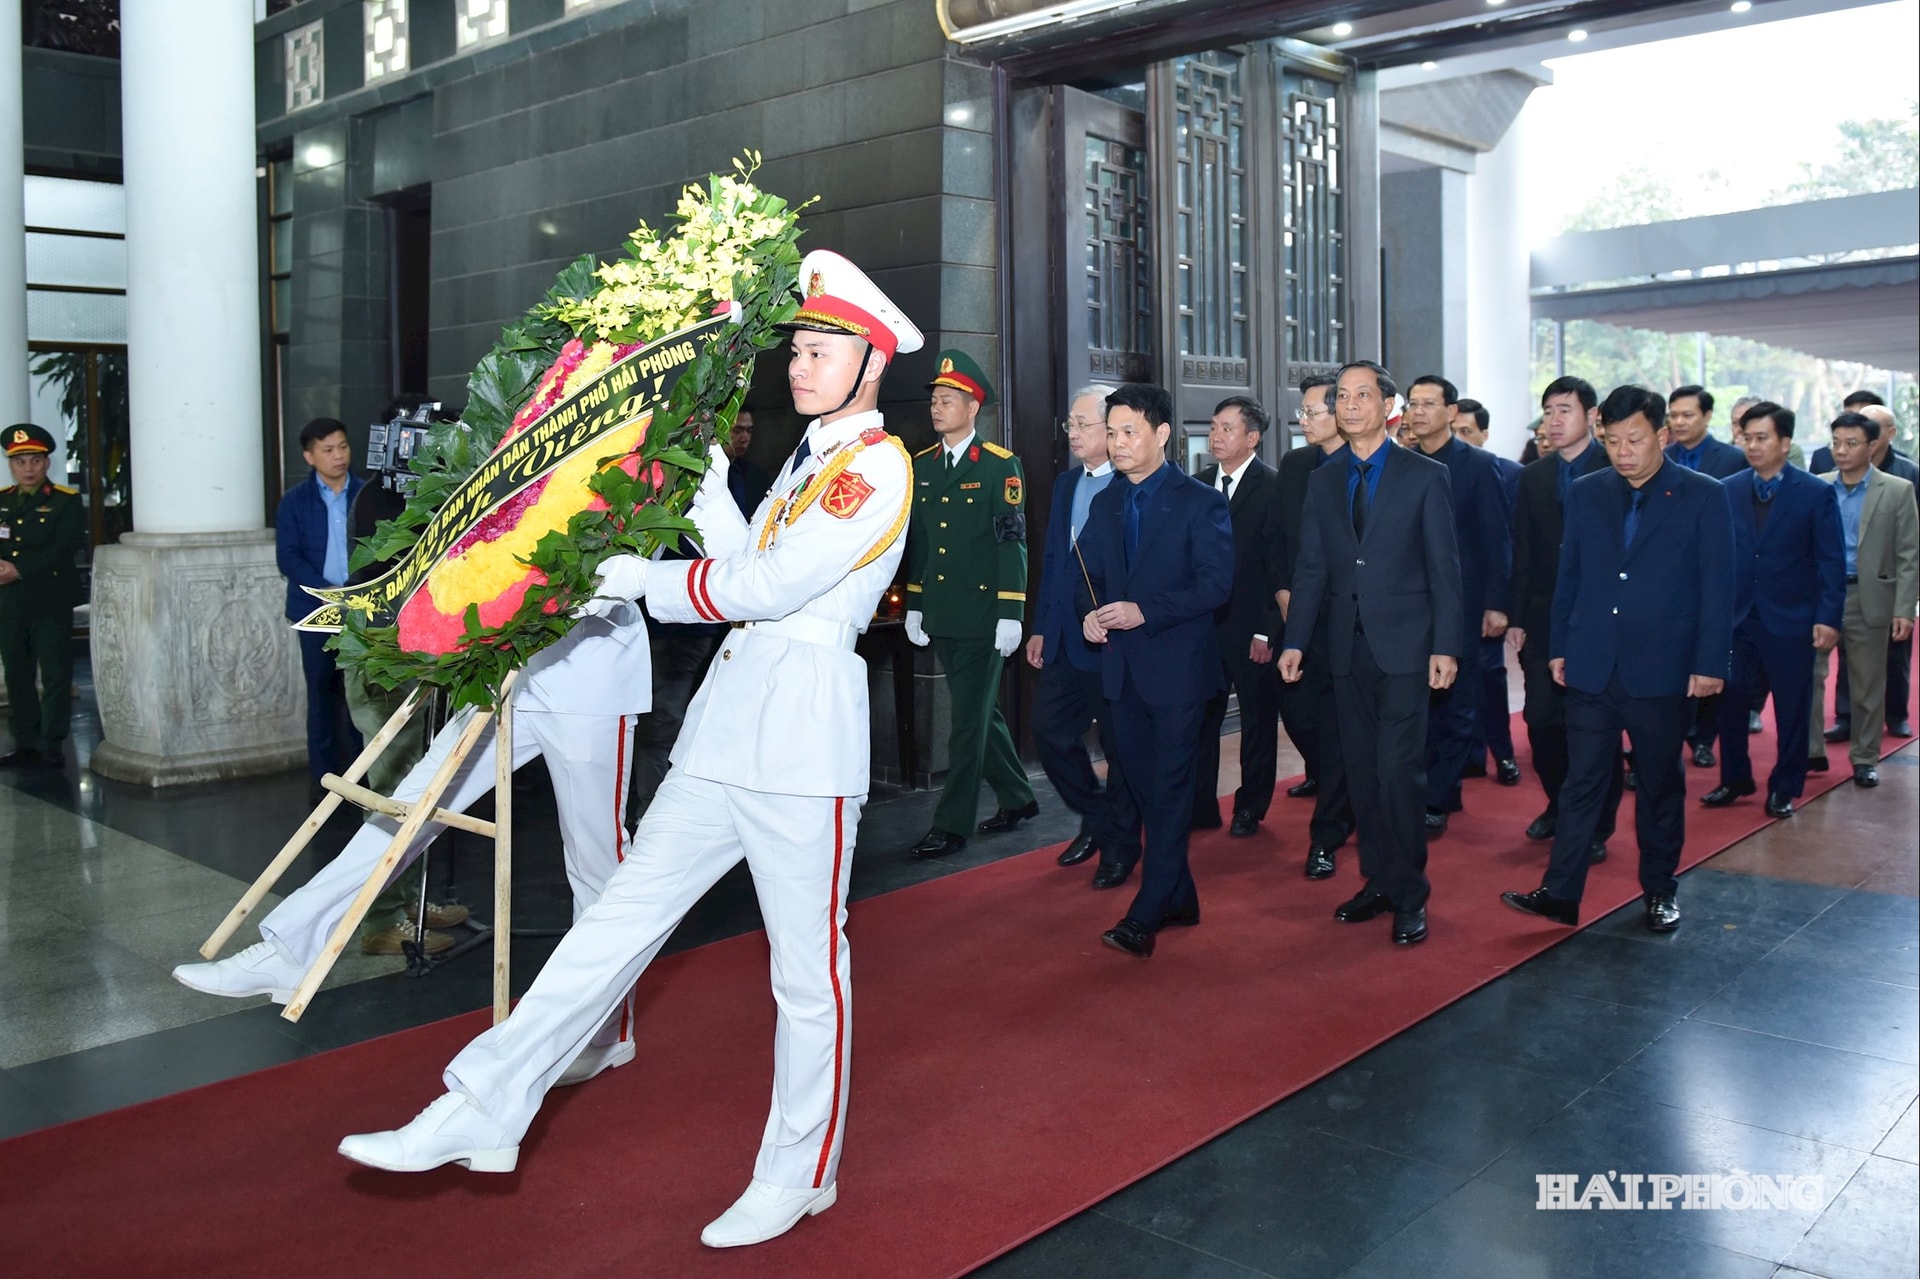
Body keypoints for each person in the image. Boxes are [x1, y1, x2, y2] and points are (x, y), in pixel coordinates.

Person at [335, 250, 920, 1252]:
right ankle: (486, 1101)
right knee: (612, 925)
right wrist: (694, 476)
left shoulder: (875, 466)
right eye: (796, 349)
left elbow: (768, 588)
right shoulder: (807, 459)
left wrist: (639, 580)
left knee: (805, 974)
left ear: (871, 363)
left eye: (821, 352)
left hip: (801, 748)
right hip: (725, 733)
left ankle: (798, 1172)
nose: (799, 365)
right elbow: (742, 557)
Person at [172, 606, 653, 1070]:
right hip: (507, 672)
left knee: (595, 862)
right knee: (405, 809)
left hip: (591, 685)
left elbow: (665, 571)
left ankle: (605, 1030)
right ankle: (290, 949)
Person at [1502, 385, 1734, 934]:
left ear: (1662, 436)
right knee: (1582, 781)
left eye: (1634, 440)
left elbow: (1718, 585)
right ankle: (1561, 893)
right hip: (1592, 661)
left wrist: (1710, 663)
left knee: (1658, 784)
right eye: (1612, 441)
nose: (1623, 452)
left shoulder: (1703, 495)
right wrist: (1560, 646)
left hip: (1662, 667)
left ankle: (1659, 889)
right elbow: (1571, 575)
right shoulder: (1589, 491)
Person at [1279, 361, 1463, 948]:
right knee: (1360, 773)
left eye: (1363, 395)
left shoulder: (1425, 475)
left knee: (1397, 773)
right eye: (1342, 396)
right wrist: (1295, 640)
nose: (1351, 404)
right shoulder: (1324, 479)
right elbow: (1311, 568)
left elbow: (1444, 569)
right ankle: (1377, 881)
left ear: (1389, 406)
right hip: (1344, 650)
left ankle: (1410, 894)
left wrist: (1446, 645)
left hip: (1407, 649)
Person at [1074, 382, 1232, 956]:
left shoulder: (1199, 502)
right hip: (1121, 674)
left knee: (1168, 791)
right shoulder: (1107, 502)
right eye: (1111, 432)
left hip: (1178, 674)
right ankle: (1179, 895)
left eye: (1128, 432)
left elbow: (1216, 585)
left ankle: (1147, 911)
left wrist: (1147, 611)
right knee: (1143, 789)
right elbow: (1086, 575)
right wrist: (1088, 615)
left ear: (1161, 434)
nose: (1117, 443)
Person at [903, 350, 1035, 857]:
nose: (937, 408)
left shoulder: (1000, 466)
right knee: (981, 716)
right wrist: (915, 602)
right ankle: (1019, 798)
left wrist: (1011, 612)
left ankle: (951, 824)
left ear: (973, 407)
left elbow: (1011, 542)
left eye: (948, 400)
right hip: (943, 612)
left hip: (983, 618)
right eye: (934, 400)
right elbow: (919, 541)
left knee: (965, 726)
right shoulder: (923, 465)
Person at [1700, 403, 1844, 818]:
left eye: (1762, 438)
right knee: (1729, 701)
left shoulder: (1814, 492)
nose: (1752, 446)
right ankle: (1735, 778)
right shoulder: (1727, 489)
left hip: (1791, 617)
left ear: (1785, 442)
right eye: (1747, 438)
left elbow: (1831, 560)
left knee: (1791, 706)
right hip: (1738, 617)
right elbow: (1715, 557)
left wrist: (1828, 617)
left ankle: (1785, 785)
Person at [1026, 384, 1139, 883]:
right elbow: (1054, 562)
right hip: (1065, 640)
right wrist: (1041, 628)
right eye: (1069, 424)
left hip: (1114, 642)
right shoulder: (1067, 484)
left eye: (1082, 424)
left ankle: (1120, 847)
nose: (1072, 433)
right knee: (1049, 731)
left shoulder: (1132, 485)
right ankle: (1097, 816)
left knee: (1120, 749)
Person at [1505, 377, 1621, 856]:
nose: (1553, 421)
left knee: (1596, 728)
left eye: (1564, 410)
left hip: (1599, 618)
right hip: (1543, 617)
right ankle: (1559, 805)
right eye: (1548, 411)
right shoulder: (1533, 475)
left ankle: (1596, 825)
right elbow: (1523, 551)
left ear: (1592, 416)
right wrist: (1515, 615)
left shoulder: (1615, 468)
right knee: (1541, 721)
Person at [1403, 375, 1511, 838]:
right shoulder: (1401, 463)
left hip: (1461, 603)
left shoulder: (1479, 466)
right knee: (1418, 702)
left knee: (1454, 701)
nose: (1418, 412)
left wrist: (1496, 604)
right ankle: (1424, 786)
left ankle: (1440, 796)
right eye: (1413, 403)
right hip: (1408, 604)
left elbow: (1495, 540)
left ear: (1451, 412)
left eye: (1429, 404)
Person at [1193, 395, 1286, 837]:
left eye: (1227, 428)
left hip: (1252, 629)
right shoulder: (1197, 485)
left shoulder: (1274, 487)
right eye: (1214, 427)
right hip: (1202, 628)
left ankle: (1251, 806)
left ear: (1253, 437)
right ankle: (1200, 805)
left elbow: (1279, 566)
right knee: (1201, 720)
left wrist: (1268, 630)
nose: (1216, 436)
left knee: (1257, 721)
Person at [1809, 411, 1918, 788]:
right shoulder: (1817, 486)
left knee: (1867, 684)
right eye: (1836, 443)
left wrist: (1904, 608)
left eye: (1851, 443)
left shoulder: (1898, 489)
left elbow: (1909, 554)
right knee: (1810, 676)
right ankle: (1810, 751)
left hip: (1868, 595)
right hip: (1821, 595)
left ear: (1872, 446)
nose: (1841, 451)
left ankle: (1865, 758)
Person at [1274, 375, 1356, 879]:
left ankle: (1328, 832)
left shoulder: (1365, 467)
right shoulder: (1297, 465)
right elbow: (1279, 537)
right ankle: (1337, 793)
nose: (1302, 421)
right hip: (1300, 615)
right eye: (1301, 412)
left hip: (1353, 622)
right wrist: (1283, 592)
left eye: (1311, 412)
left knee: (1340, 729)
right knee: (1301, 715)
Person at [277, 417, 367, 795]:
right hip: (315, 611)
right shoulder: (295, 501)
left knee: (362, 697)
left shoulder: (366, 493)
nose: (338, 456)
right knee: (322, 694)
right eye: (328, 450)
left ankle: (363, 778)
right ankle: (324, 782)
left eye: (343, 446)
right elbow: (288, 557)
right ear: (309, 456)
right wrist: (324, 589)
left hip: (361, 608)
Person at [0, 423, 85, 769]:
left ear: (47, 463)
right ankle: (26, 742)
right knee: (17, 673)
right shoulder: (3, 500)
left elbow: (65, 547)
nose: (28, 469)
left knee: (55, 674)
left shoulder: (65, 501)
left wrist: (19, 569)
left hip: (50, 599)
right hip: (9, 601)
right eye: (20, 462)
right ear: (11, 465)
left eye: (35, 461)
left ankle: (52, 741)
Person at [1453, 397, 1523, 787]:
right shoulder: (1431, 468)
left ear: (1485, 434)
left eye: (1467, 431)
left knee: (1488, 677)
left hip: (1484, 598)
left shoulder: (1510, 473)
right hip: (1448, 600)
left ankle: (1504, 753)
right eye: (1455, 430)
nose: (1460, 437)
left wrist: (1498, 603)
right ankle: (1468, 756)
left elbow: (1503, 544)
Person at [725, 404, 774, 518]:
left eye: (749, 431)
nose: (744, 438)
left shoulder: (758, 476)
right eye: (737, 431)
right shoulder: (698, 477)